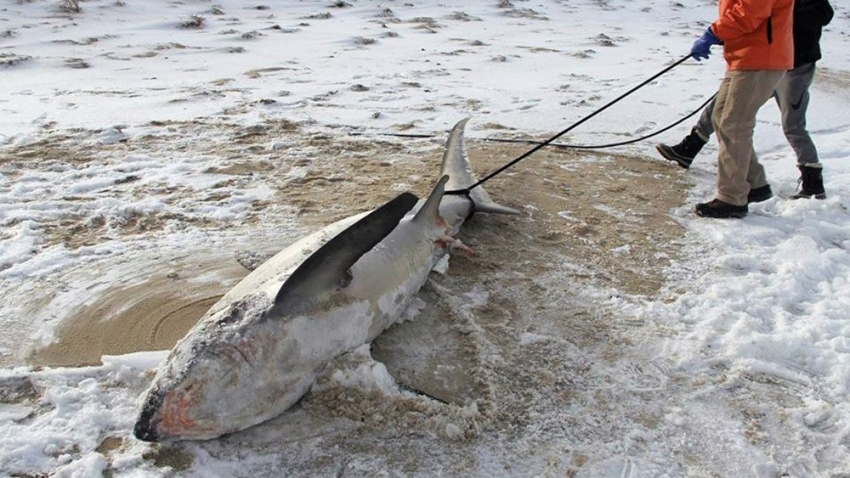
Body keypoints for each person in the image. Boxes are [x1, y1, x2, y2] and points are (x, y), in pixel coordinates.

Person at [657, 0, 834, 204]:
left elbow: (752, 13)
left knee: (788, 125)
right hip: (753, 55)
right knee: (721, 112)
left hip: (789, 63)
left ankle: (811, 182)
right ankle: (694, 150)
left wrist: (718, 32)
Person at [669, 0, 793, 218]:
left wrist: (714, 32)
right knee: (720, 117)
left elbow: (751, 10)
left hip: (760, 57)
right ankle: (753, 183)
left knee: (735, 124)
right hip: (745, 55)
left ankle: (732, 199)